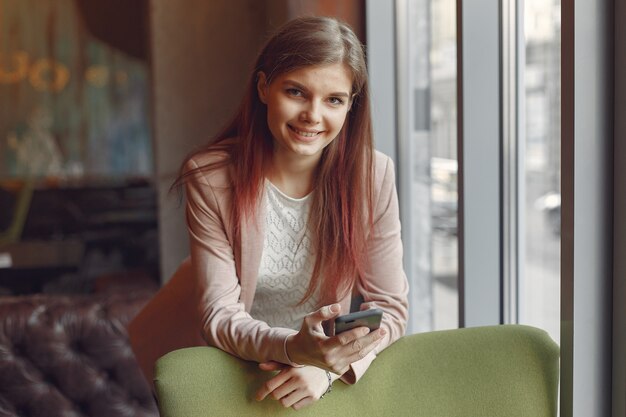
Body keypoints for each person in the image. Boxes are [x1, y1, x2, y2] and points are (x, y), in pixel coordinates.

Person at [130, 15, 408, 411]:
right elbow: (219, 315)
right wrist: (296, 349)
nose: (313, 115)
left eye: (334, 99)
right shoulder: (211, 177)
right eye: (296, 91)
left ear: (351, 106)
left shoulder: (372, 175)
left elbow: (392, 308)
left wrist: (327, 368)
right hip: (230, 358)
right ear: (264, 88)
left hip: (317, 371)